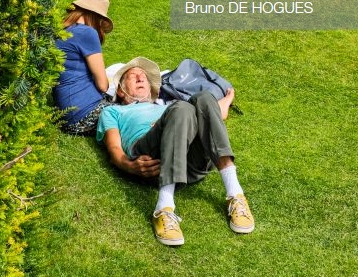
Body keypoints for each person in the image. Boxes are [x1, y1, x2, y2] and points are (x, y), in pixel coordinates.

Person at [97, 59, 254, 247]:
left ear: (150, 87)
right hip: (151, 159)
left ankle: (235, 194)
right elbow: (114, 148)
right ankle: (164, 207)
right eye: (132, 76)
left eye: (143, 77)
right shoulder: (113, 111)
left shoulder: (166, 105)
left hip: (190, 164)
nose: (140, 77)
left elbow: (213, 114)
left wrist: (227, 100)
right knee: (181, 108)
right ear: (121, 91)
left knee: (203, 98)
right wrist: (128, 165)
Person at [53, 0, 114, 135]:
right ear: (96, 16)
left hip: (66, 114)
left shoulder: (61, 30)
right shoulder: (87, 33)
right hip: (85, 113)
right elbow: (103, 85)